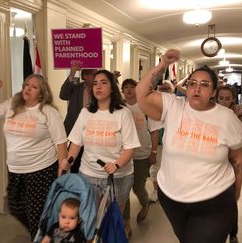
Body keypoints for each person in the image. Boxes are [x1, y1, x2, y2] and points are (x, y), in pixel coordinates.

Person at [136, 49, 242, 243]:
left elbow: (237, 157)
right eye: (192, 84)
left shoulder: (227, 118)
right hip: (172, 198)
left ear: (214, 92)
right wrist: (162, 65)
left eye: (204, 85)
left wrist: (236, 191)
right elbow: (141, 94)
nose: (196, 89)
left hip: (214, 199)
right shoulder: (173, 105)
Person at [0, 74, 68, 239]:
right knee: (15, 208)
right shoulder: (12, 105)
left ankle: (40, 238)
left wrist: (62, 170)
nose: (28, 88)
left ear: (42, 93)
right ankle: (46, 234)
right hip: (15, 169)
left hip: (41, 170)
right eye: (26, 85)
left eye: (34, 87)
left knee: (37, 213)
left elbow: (61, 143)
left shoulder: (48, 112)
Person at [67, 69, 140, 215]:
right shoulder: (86, 112)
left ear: (112, 88)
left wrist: (116, 165)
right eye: (95, 83)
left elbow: (130, 148)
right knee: (89, 217)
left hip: (118, 176)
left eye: (103, 83)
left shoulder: (123, 113)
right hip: (88, 174)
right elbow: (76, 142)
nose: (98, 87)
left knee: (113, 218)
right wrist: (67, 161)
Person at [216, 84, 242, 243]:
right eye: (221, 98)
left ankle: (233, 233)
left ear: (233, 99)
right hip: (215, 162)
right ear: (216, 98)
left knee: (231, 200)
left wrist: (241, 117)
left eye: (227, 99)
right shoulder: (211, 113)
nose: (224, 102)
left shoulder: (239, 115)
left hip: (233, 163)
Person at [120, 78, 159, 238]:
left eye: (132, 87)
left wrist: (154, 152)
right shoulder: (119, 107)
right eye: (126, 88)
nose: (129, 90)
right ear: (122, 91)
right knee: (124, 191)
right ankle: (126, 223)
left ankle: (145, 204)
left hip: (142, 153)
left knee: (138, 187)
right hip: (123, 155)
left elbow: (154, 131)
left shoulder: (145, 106)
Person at [59, 63, 97, 173]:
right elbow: (63, 95)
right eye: (93, 74)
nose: (96, 76)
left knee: (91, 161)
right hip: (76, 130)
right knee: (75, 162)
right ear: (84, 76)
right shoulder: (76, 87)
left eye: (96, 73)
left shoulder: (98, 89)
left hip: (93, 132)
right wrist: (72, 73)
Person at [149, 80, 175, 203]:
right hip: (159, 145)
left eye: (167, 89)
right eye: (162, 89)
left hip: (175, 146)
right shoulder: (153, 107)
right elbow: (154, 130)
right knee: (155, 168)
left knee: (173, 168)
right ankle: (156, 190)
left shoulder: (179, 106)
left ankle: (170, 190)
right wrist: (153, 151)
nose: (164, 91)